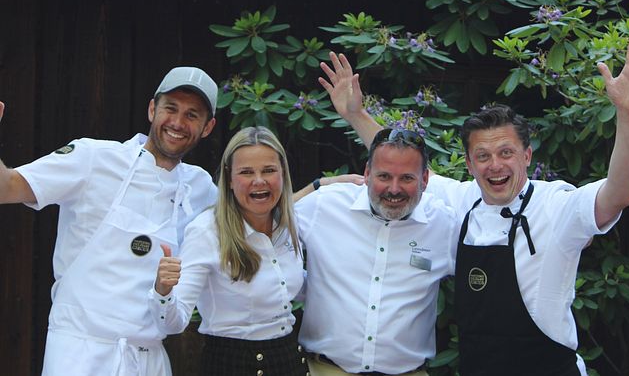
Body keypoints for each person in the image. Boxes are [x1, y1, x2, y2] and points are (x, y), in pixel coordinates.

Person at [322, 33, 629, 375]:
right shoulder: (462, 201)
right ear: (469, 165)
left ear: (527, 156)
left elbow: (619, 193)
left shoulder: (556, 204)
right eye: (482, 156)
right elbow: (402, 164)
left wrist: (628, 114)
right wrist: (356, 115)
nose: (494, 165)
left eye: (506, 153)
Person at [0, 67, 219, 375]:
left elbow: (256, 219)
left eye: (192, 115)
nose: (178, 123)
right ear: (152, 108)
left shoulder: (202, 188)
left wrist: (314, 188)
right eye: (171, 108)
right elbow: (7, 187)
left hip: (149, 359)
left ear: (207, 127)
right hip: (79, 353)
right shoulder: (92, 158)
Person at [148, 126, 363, 376]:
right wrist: (163, 290)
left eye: (269, 170)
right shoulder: (207, 231)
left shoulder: (287, 226)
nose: (259, 180)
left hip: (289, 362)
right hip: (230, 365)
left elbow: (297, 288)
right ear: (229, 179)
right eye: (246, 172)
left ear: (282, 174)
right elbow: (173, 323)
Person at [294, 125, 459, 374]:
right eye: (384, 176)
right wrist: (318, 184)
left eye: (407, 178)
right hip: (325, 369)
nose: (394, 189)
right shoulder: (325, 204)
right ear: (368, 173)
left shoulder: (445, 225)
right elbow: (263, 224)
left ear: (424, 179)